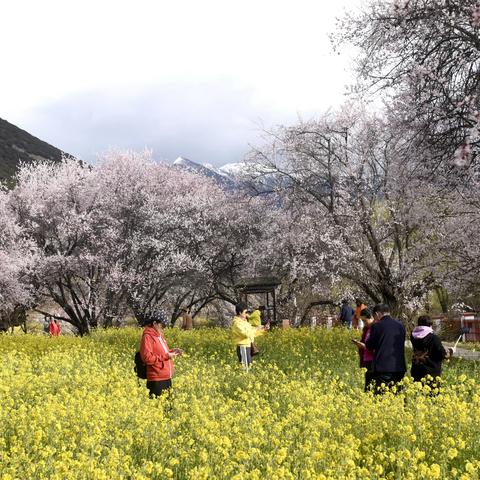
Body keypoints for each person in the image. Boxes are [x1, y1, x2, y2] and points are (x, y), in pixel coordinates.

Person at [139, 310, 183, 397]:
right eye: (162, 325)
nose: (164, 328)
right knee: (158, 409)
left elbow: (160, 353)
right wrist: (167, 356)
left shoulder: (159, 336)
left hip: (166, 377)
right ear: (155, 323)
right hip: (157, 379)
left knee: (167, 408)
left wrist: (172, 351)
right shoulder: (148, 336)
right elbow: (147, 358)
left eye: (165, 326)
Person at [365, 304, 406, 393]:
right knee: (397, 394)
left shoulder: (377, 326)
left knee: (381, 395)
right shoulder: (400, 325)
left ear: (376, 314)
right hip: (399, 366)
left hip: (383, 367)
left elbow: (369, 345)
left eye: (374, 317)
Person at [411, 315, 453, 388]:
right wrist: (451, 351)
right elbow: (442, 354)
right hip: (431, 373)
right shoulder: (433, 338)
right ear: (430, 325)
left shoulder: (413, 337)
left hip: (416, 371)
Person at [231, 302, 266, 369]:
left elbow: (252, 333)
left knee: (248, 366)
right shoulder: (237, 323)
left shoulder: (244, 322)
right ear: (240, 312)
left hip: (248, 345)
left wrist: (263, 329)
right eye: (245, 312)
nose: (247, 314)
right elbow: (246, 334)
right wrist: (256, 329)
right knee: (245, 368)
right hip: (242, 346)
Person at [351, 308, 375, 391]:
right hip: (367, 359)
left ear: (371, 317)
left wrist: (364, 346)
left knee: (370, 386)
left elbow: (374, 346)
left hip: (373, 360)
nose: (364, 323)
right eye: (363, 321)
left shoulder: (376, 329)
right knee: (368, 385)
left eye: (365, 321)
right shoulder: (367, 330)